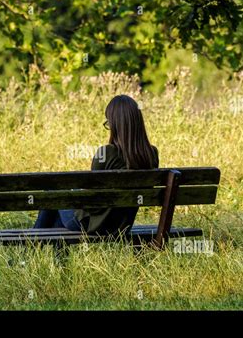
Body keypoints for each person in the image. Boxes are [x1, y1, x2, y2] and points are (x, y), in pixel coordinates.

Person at [33, 94, 159, 235]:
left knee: (53, 191)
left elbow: (92, 203)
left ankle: (31, 244)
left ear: (116, 125)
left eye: (109, 123)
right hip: (122, 226)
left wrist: (75, 195)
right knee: (58, 211)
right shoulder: (151, 154)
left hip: (91, 224)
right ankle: (55, 255)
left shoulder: (106, 153)